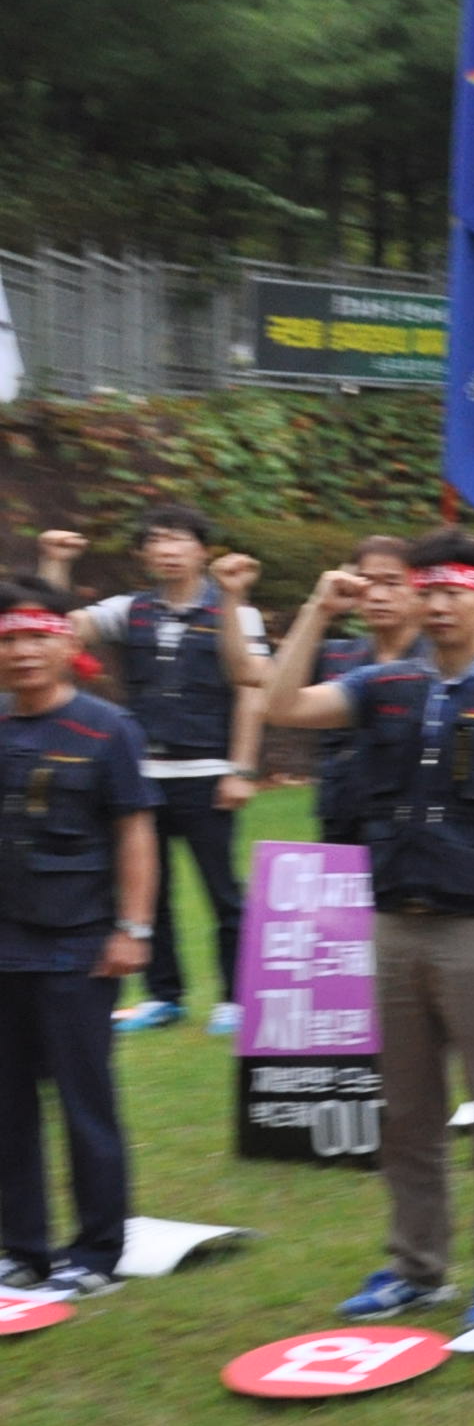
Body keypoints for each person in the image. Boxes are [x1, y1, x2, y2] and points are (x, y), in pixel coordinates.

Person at [262, 535, 474, 1328]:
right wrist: (316, 610)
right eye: (425, 591)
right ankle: (416, 1266)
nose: (436, 605)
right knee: (405, 1116)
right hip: (392, 924)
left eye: (452, 592)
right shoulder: (383, 684)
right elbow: (280, 706)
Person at [38, 511, 264, 1036]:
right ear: (144, 555)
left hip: (207, 771)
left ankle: (236, 997)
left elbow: (251, 690)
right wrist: (55, 564)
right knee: (148, 890)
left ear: (202, 550)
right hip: (142, 774)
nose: (166, 550)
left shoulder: (235, 611)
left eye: (178, 539)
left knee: (223, 892)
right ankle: (165, 996)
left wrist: (241, 768)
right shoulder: (130, 609)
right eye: (155, 541)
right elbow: (57, 628)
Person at [0, 579, 155, 1294]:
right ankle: (20, 1247)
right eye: (9, 639)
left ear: (67, 644)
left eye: (37, 636)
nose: (22, 652)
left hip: (78, 943)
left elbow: (134, 832)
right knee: (8, 1105)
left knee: (84, 1103)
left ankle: (95, 1254)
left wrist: (132, 928)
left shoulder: (107, 728)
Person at [312, 537, 425, 845]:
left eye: (392, 583)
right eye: (367, 582)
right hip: (342, 819)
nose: (377, 595)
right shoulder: (336, 656)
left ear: (420, 589)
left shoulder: (442, 664)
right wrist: (319, 609)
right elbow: (262, 685)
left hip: (414, 829)